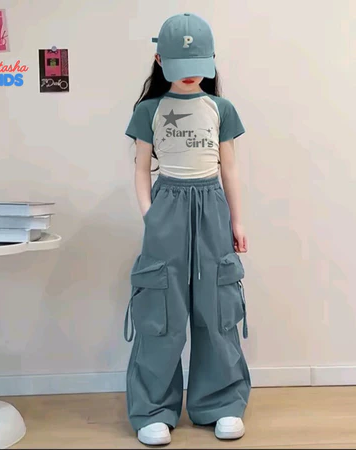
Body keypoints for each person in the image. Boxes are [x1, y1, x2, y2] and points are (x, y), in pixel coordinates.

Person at [123, 12, 251, 446]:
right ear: (160, 61)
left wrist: (236, 220)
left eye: (199, 65)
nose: (191, 75)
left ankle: (222, 402)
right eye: (180, 66)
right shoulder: (149, 111)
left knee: (217, 306)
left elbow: (229, 168)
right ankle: (153, 409)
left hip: (212, 206)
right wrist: (150, 216)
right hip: (168, 207)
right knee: (161, 311)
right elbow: (141, 169)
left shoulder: (221, 109)